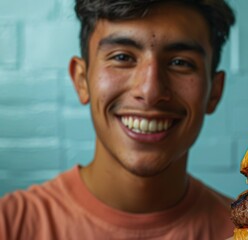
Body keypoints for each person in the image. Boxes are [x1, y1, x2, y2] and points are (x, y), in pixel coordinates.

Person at [0, 0, 235, 239]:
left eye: (180, 63)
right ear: (82, 80)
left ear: (214, 92)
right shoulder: (8, 225)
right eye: (122, 57)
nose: (150, 91)